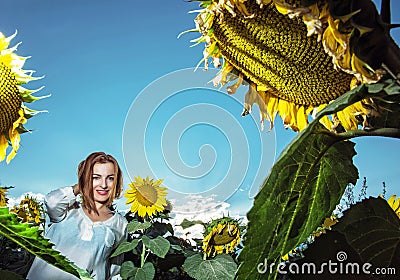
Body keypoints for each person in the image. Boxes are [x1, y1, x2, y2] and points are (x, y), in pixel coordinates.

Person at [27, 152, 128, 280]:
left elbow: (114, 270)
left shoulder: (120, 223)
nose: (103, 185)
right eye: (95, 177)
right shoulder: (68, 210)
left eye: (110, 178)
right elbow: (52, 201)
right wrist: (82, 185)